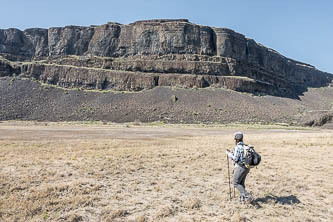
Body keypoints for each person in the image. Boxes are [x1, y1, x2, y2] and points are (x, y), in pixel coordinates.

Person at [226, 132, 253, 203]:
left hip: (240, 167)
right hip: (247, 167)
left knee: (235, 183)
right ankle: (243, 199)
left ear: (236, 139)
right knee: (241, 183)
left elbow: (235, 159)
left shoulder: (238, 147)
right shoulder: (245, 146)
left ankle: (247, 196)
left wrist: (228, 154)